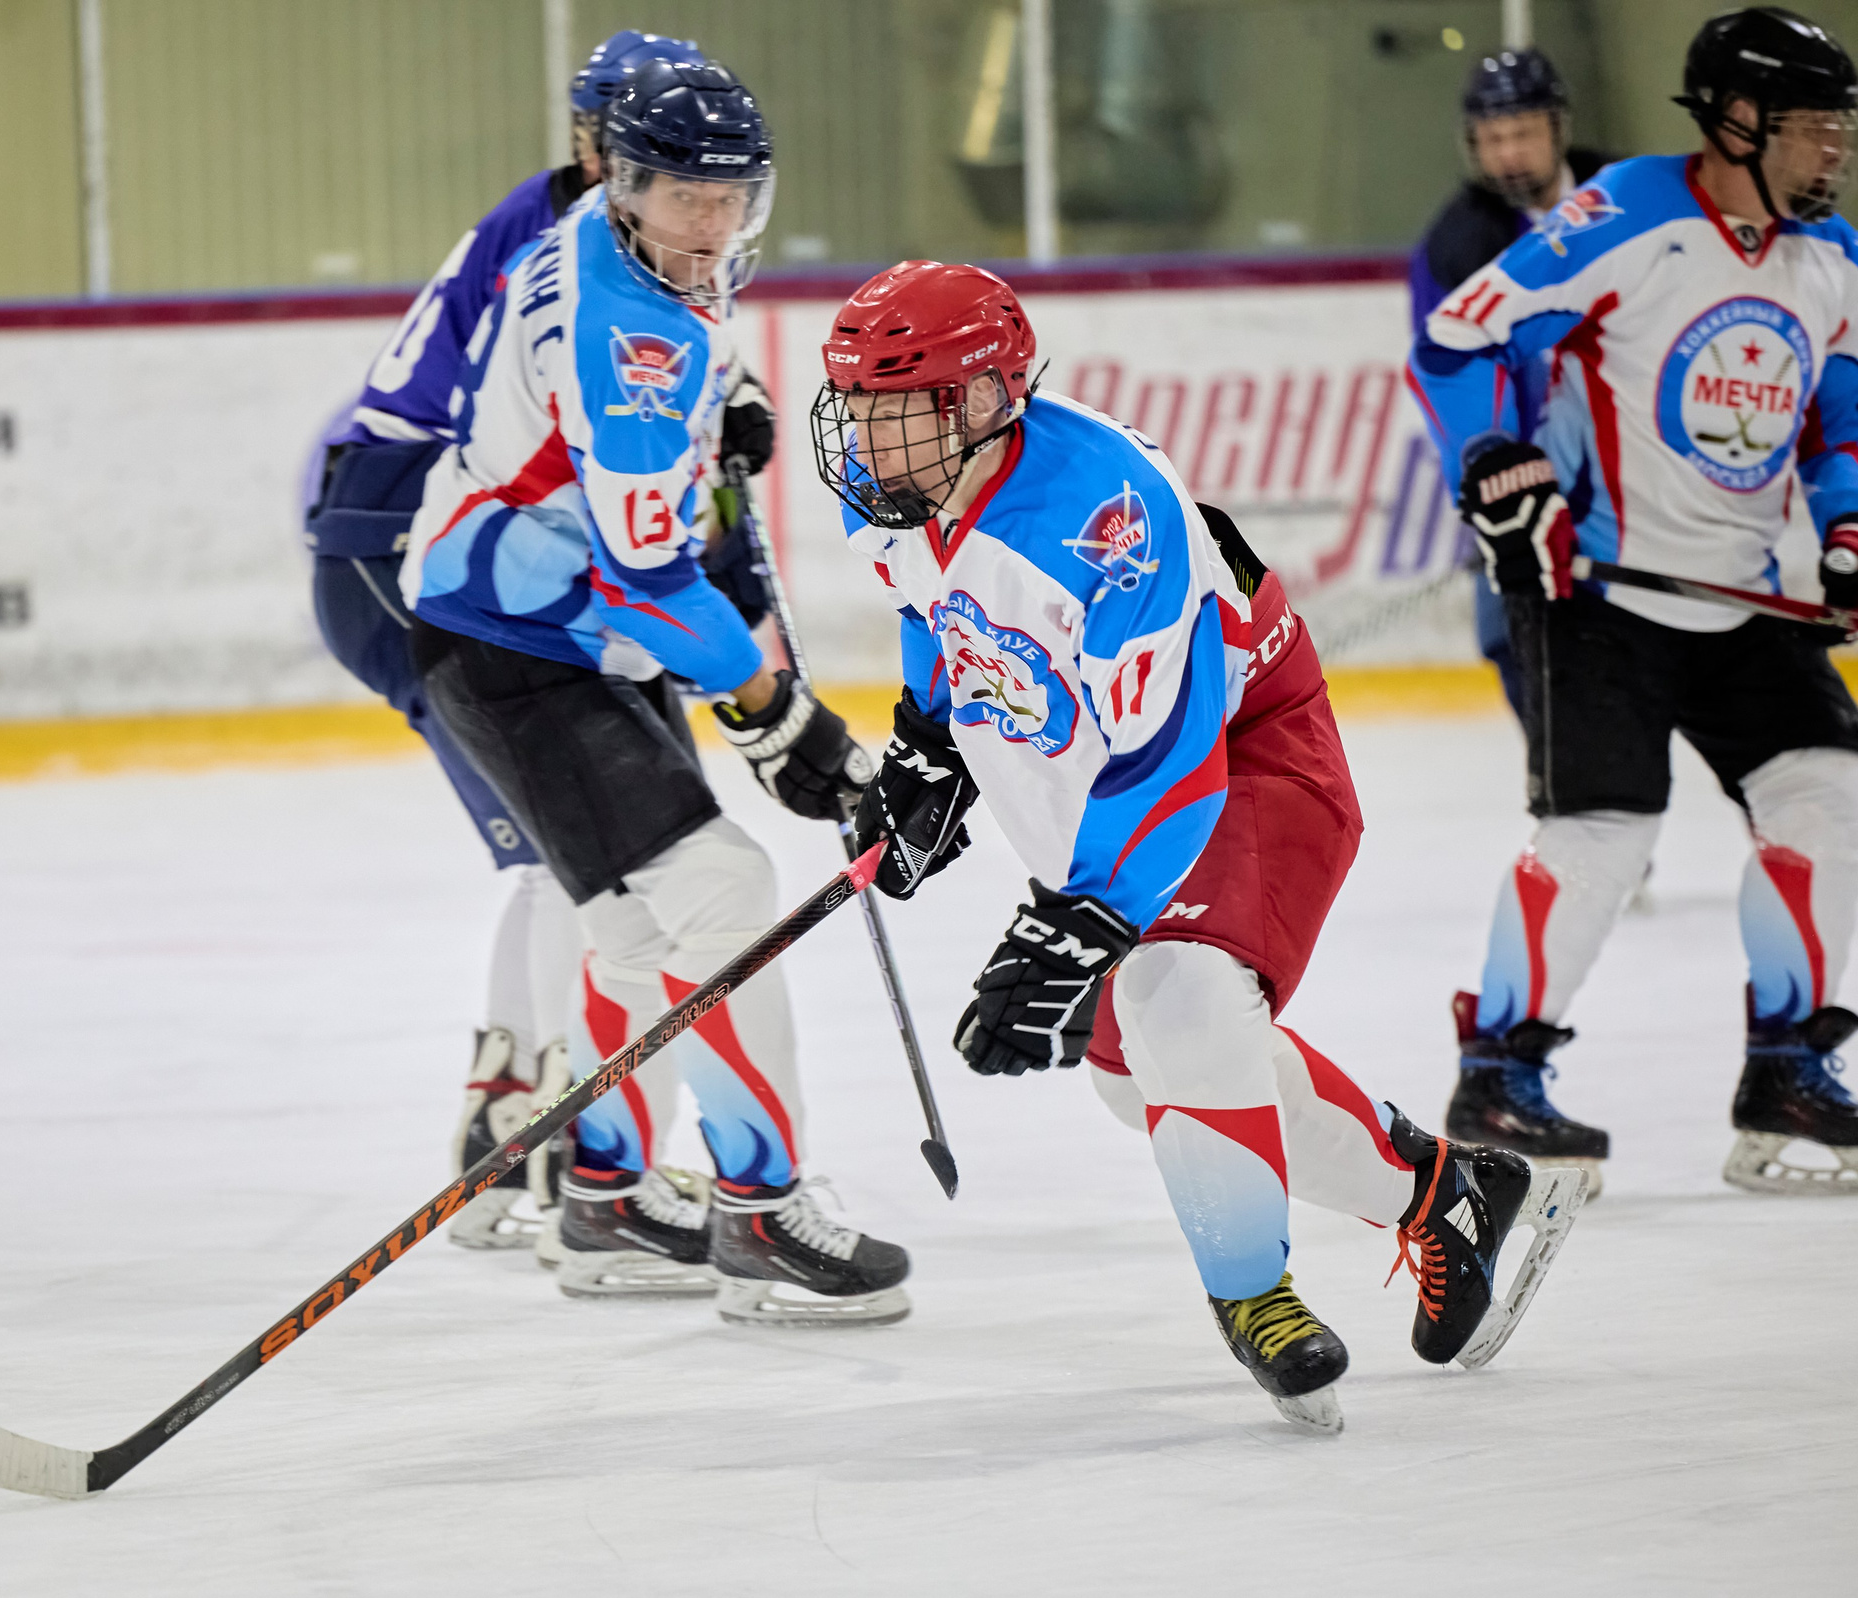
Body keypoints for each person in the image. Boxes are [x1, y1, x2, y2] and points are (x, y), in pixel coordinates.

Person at [813, 262, 1583, 1429]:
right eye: (855, 409)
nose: (865, 441)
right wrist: (928, 744)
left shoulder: (1108, 520)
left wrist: (1075, 923)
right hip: (1096, 780)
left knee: (1183, 998)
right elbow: (939, 612)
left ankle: (1254, 1298)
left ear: (980, 401)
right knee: (1139, 1084)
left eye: (893, 409)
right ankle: (1446, 1193)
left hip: (1248, 762)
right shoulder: (899, 492)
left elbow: (1172, 760)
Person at [401, 59, 910, 1326]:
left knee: (633, 935)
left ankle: (610, 1197)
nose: (714, 222)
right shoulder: (629, 334)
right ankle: (762, 1208)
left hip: (516, 623)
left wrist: (721, 400)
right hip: (529, 641)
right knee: (721, 893)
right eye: (685, 193)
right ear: (625, 182)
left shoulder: (608, 245)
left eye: (732, 193)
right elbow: (644, 573)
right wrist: (778, 711)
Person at [304, 31, 776, 1250]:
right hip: (424, 552)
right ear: (603, 151)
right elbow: (609, 461)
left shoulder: (631, 233)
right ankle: (520, 1127)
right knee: (580, 853)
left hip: (453, 546)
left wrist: (729, 415)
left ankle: (569, 1144)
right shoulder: (584, 238)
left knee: (613, 848)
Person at [1409, 6, 1858, 1199]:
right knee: (1600, 836)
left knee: (1824, 793)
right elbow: (1453, 343)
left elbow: (1835, 420)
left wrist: (1850, 525)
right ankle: (1499, 1072)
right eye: (1814, 130)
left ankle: (1788, 1061)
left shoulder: (1832, 259)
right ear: (1739, 121)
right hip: (1594, 581)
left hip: (1747, 591)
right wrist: (1492, 454)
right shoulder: (1629, 217)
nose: (1834, 153)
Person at [1410, 48, 1615, 719]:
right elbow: (1450, 384)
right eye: (1493, 139)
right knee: (1508, 634)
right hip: (1526, 489)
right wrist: (1484, 488)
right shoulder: (1457, 243)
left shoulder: (1626, 202)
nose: (1509, 155)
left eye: (1523, 132)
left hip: (1638, 484)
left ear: (1558, 127)